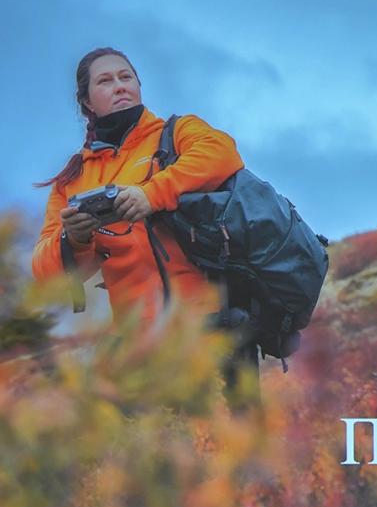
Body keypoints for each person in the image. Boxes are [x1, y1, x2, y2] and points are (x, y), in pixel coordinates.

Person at [32, 47, 258, 410]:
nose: (120, 86)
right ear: (86, 102)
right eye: (105, 81)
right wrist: (73, 238)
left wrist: (151, 194)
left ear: (138, 85)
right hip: (140, 346)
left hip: (211, 327)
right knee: (160, 462)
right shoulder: (71, 180)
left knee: (240, 457)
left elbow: (222, 152)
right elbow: (43, 272)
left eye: (126, 77)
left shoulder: (176, 133)